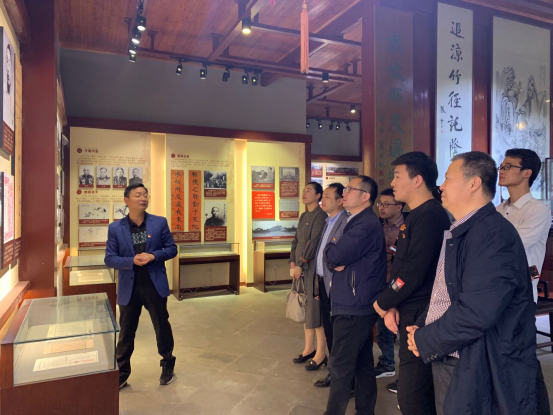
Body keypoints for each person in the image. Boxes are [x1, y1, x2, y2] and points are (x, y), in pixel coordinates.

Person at [407, 151, 538, 415]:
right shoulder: (465, 230)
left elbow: (477, 311)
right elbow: (446, 292)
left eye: (448, 178)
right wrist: (422, 325)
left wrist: (425, 338)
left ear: (473, 183)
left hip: (474, 358)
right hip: (452, 349)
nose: (441, 186)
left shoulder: (492, 235)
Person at [374, 152, 450, 415]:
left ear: (417, 180)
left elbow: (414, 271)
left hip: (421, 312)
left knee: (413, 395)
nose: (392, 183)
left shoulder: (430, 215)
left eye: (397, 176)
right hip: (409, 306)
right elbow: (403, 264)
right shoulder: (418, 214)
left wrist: (384, 301)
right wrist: (393, 304)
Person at [323, 175, 387, 415]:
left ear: (365, 196)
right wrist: (334, 252)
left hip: (354, 305)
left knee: (340, 366)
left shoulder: (365, 224)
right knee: (362, 364)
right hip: (354, 301)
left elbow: (333, 254)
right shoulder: (355, 220)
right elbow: (335, 254)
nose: (345, 193)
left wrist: (332, 249)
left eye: (350, 189)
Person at [105, 183, 178, 389]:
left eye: (145, 195)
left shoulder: (159, 223)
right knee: (126, 331)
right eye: (138, 195)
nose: (143, 198)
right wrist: (131, 261)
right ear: (126, 200)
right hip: (130, 286)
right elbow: (110, 258)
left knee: (161, 326)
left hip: (154, 284)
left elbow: (172, 249)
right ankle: (122, 372)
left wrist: (153, 255)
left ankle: (167, 364)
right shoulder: (115, 228)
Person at [496, 148, 551, 415]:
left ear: (527, 172)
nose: (501, 170)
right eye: (501, 166)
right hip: (497, 293)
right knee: (505, 357)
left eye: (508, 166)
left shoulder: (538, 210)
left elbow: (508, 247)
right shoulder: (498, 209)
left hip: (520, 296)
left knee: (523, 359)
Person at [312, 183, 348, 389]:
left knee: (337, 333)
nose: (322, 200)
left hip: (336, 284)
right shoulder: (328, 221)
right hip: (323, 281)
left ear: (340, 200)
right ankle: (334, 373)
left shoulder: (345, 222)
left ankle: (339, 377)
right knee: (329, 329)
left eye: (326, 197)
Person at [290, 182, 327, 371]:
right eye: (304, 190)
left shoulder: (321, 215)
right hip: (300, 269)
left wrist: (300, 264)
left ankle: (321, 353)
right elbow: (296, 240)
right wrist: (292, 261)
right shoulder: (304, 215)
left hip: (311, 270)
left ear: (319, 195)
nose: (304, 193)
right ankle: (308, 348)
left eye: (309, 191)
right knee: (305, 308)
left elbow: (313, 243)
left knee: (315, 311)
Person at [374, 188, 406, 379]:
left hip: (401, 285)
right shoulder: (377, 225)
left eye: (387, 204)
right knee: (382, 327)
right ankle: (387, 363)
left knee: (401, 329)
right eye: (380, 204)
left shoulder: (408, 226)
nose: (382, 208)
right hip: (380, 282)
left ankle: (406, 374)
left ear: (399, 207)